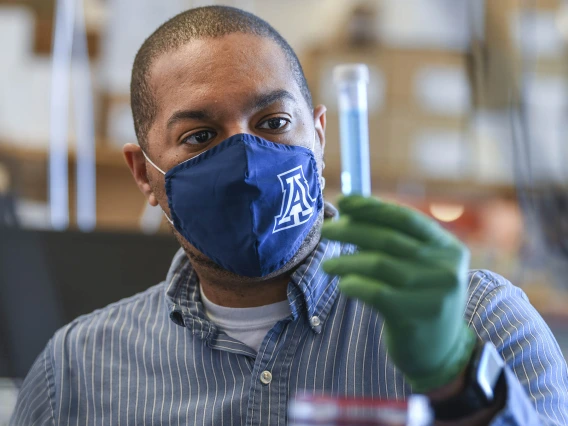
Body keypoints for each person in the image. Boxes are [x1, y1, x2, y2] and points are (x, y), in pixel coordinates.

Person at [10, 6, 568, 425]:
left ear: (319, 134)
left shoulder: (479, 323)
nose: (247, 162)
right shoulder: (78, 372)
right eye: (200, 136)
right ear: (143, 174)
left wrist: (457, 380)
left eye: (273, 123)